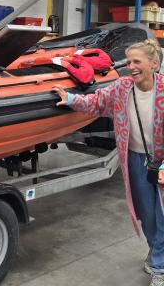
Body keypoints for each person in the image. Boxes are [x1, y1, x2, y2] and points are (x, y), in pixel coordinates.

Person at [53, 39, 164, 286]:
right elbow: (97, 102)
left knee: (163, 214)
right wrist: (70, 99)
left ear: (154, 64)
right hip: (135, 160)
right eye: (129, 61)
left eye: (137, 61)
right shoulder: (122, 87)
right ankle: (157, 250)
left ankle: (159, 266)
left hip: (163, 161)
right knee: (147, 214)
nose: (131, 67)